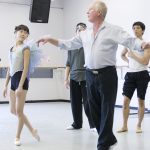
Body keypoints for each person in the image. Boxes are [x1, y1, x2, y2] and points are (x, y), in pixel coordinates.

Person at [37, 1, 150, 150]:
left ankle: (102, 144)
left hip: (107, 75)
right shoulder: (84, 33)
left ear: (99, 12)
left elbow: (129, 40)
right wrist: (50, 39)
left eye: (90, 10)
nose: (87, 12)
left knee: (106, 109)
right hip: (89, 74)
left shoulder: (113, 30)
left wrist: (142, 45)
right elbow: (68, 44)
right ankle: (108, 138)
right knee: (93, 109)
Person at [3, 25, 41, 146]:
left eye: (25, 32)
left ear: (27, 36)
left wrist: (20, 86)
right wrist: (5, 85)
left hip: (21, 80)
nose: (23, 34)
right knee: (13, 111)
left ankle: (17, 137)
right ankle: (32, 129)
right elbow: (10, 67)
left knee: (19, 111)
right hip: (13, 80)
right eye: (21, 31)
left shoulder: (26, 49)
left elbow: (25, 68)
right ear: (15, 33)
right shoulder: (11, 48)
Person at [117, 22, 150, 133]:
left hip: (142, 74)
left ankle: (139, 125)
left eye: (138, 28)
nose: (135, 30)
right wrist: (129, 63)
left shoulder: (146, 45)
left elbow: (145, 62)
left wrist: (133, 56)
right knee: (125, 101)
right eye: (134, 28)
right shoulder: (129, 44)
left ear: (143, 30)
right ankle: (124, 126)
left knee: (140, 101)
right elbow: (122, 55)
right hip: (130, 75)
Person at [64, 23, 95, 131]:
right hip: (73, 77)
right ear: (76, 32)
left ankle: (93, 125)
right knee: (75, 102)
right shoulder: (71, 47)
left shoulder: (89, 45)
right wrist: (65, 79)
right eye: (78, 29)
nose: (80, 31)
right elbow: (68, 64)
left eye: (82, 30)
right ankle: (77, 124)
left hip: (86, 77)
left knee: (88, 103)